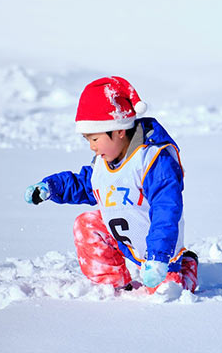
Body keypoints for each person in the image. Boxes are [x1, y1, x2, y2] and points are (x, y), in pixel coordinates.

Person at [25, 76, 198, 292]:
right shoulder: (103, 163)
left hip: (159, 246)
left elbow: (166, 209)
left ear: (119, 131)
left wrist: (158, 256)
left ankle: (187, 266)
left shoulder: (153, 161)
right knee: (87, 224)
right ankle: (112, 285)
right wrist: (51, 187)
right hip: (124, 238)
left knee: (167, 291)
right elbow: (84, 184)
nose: (91, 147)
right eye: (87, 140)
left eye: (95, 139)